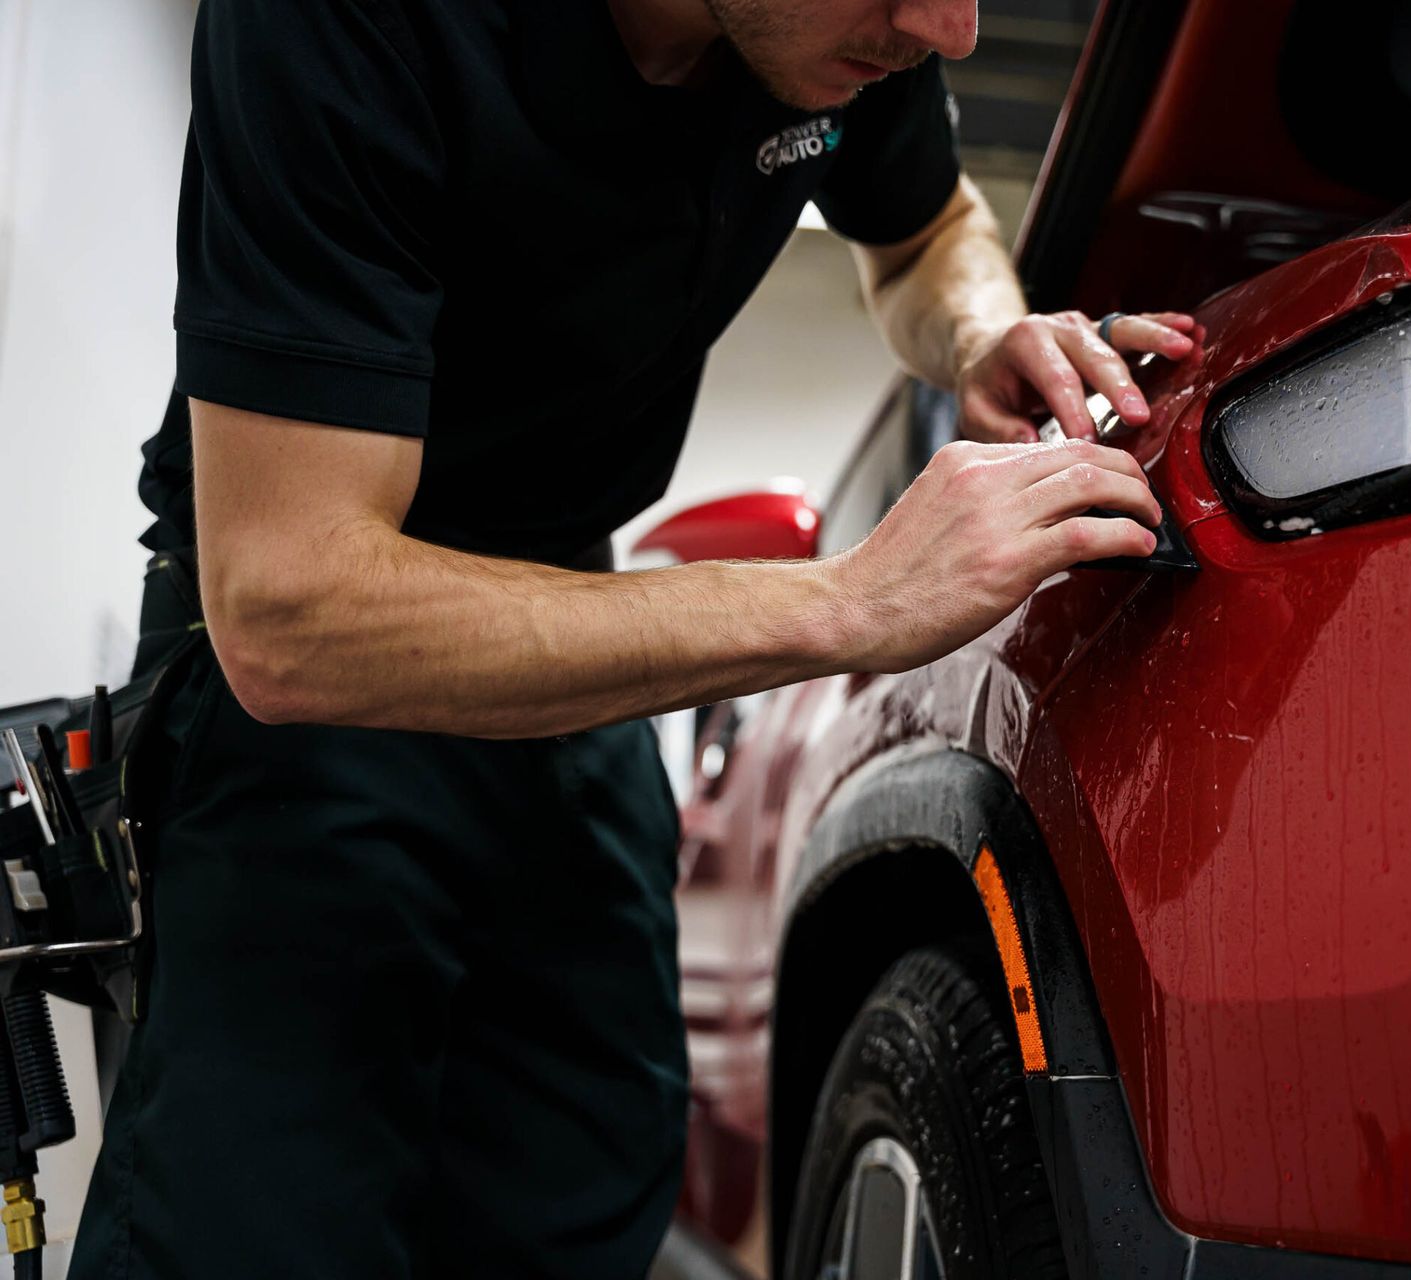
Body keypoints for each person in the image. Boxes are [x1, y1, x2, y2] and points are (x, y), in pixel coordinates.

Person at [72, 0, 1196, 1275]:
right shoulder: (352, 27)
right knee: (264, 1234)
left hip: (571, 654)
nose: (950, 29)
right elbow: (290, 613)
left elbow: (929, 228)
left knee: (580, 1205)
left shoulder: (837, 38)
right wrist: (850, 602)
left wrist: (983, 328)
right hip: (322, 685)